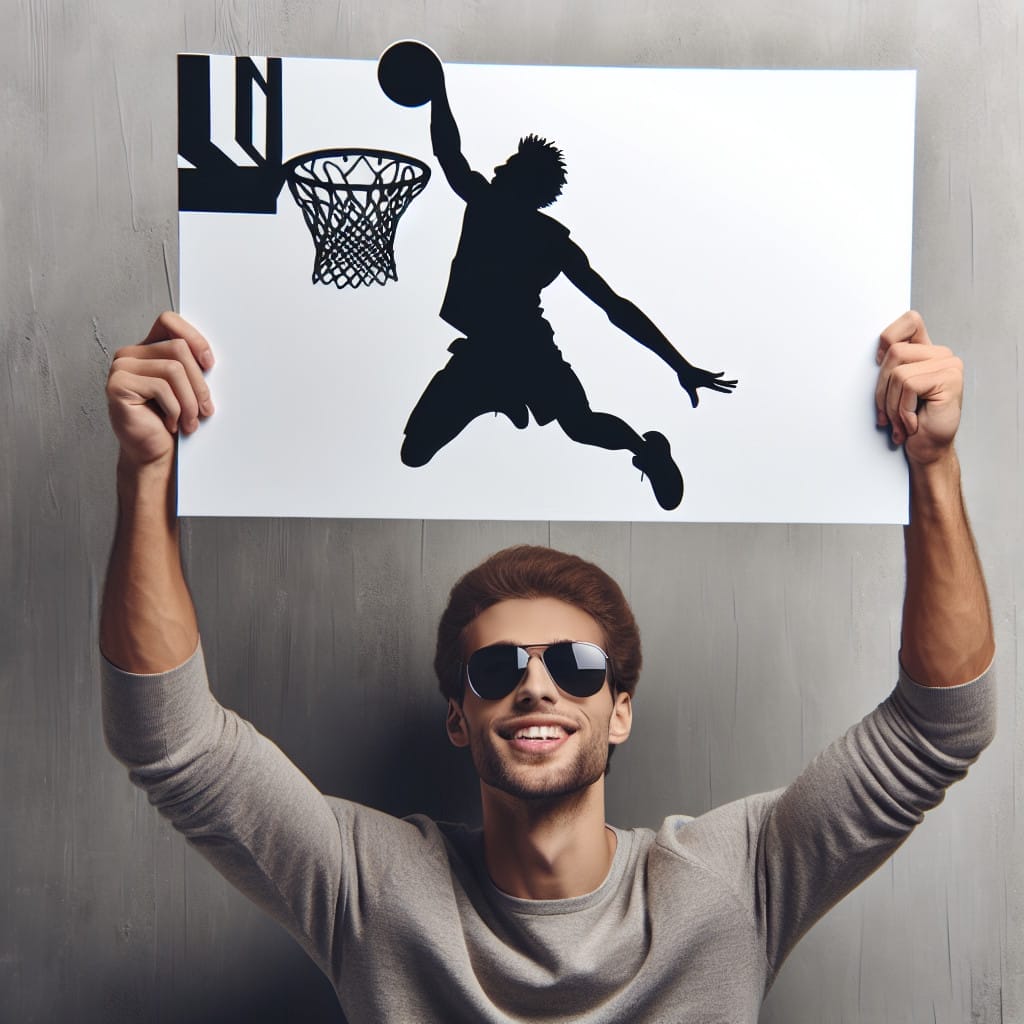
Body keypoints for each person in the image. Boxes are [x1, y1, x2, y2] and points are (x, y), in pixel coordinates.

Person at [101, 309, 995, 1022]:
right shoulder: (374, 890)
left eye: (576, 665)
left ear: (620, 709)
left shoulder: (730, 885)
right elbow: (172, 742)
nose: (536, 683)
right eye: (495, 669)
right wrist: (147, 474)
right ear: (459, 714)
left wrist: (934, 468)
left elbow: (938, 729)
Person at [399, 66, 737, 511]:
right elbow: (449, 152)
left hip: (522, 352)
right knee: (416, 453)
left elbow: (615, 307)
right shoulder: (505, 214)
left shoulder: (513, 218)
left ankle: (646, 451)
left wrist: (679, 363)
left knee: (580, 426)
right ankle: (503, 398)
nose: (501, 167)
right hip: (490, 352)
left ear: (519, 177)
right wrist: (679, 365)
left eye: (511, 166)